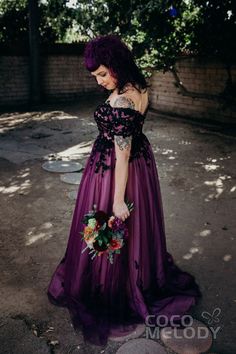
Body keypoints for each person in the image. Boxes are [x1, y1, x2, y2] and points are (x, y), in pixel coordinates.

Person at [47, 34, 202, 346]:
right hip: (141, 166)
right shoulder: (138, 86)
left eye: (103, 73)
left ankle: (111, 288)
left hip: (116, 171)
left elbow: (122, 154)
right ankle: (133, 275)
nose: (99, 81)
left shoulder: (121, 101)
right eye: (95, 75)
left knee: (109, 226)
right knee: (128, 233)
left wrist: (117, 199)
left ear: (116, 64)